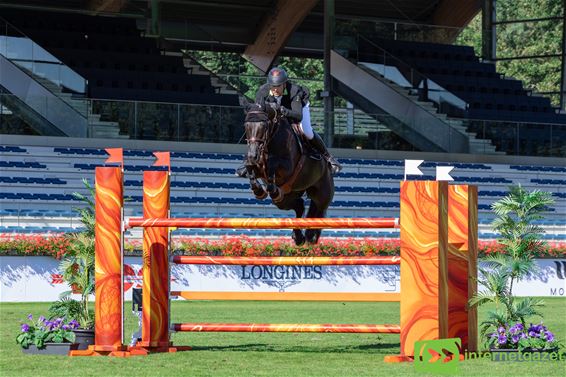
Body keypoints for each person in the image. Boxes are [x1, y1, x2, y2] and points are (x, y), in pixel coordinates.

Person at [237, 67, 342, 177]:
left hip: (297, 109)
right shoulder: (262, 92)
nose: (275, 89)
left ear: (284, 84)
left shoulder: (294, 92)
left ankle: (328, 157)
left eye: (278, 86)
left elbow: (298, 116)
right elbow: (259, 114)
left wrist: (283, 110)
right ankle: (247, 162)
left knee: (307, 131)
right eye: (273, 86)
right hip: (276, 113)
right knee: (259, 131)